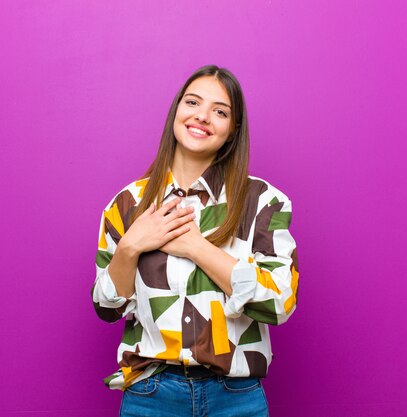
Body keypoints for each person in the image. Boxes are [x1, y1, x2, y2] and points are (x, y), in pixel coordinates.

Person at [91, 65, 299, 417]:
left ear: (232, 130)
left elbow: (280, 303)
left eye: (220, 111)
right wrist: (129, 247)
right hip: (150, 396)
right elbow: (107, 309)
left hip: (235, 398)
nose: (202, 116)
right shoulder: (127, 204)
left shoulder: (263, 201)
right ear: (177, 111)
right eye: (193, 103)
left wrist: (196, 247)